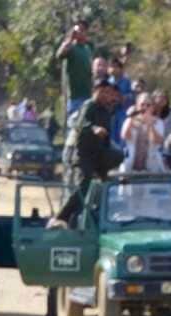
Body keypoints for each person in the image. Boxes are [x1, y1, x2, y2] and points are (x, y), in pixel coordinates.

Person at [50, 76, 122, 227]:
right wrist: (94, 128)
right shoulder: (89, 105)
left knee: (118, 157)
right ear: (95, 91)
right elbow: (80, 124)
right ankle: (62, 216)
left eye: (108, 93)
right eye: (103, 92)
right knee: (83, 186)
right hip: (84, 154)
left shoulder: (106, 110)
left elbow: (107, 136)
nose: (106, 96)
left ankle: (98, 213)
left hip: (99, 153)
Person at [55, 19, 95, 118]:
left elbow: (90, 71)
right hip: (74, 98)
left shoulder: (87, 49)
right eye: (77, 30)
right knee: (73, 124)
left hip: (87, 96)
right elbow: (59, 55)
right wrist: (70, 39)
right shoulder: (71, 47)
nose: (79, 32)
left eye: (82, 30)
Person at [120, 92, 165, 173]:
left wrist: (150, 125)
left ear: (153, 108)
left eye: (148, 105)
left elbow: (158, 141)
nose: (145, 107)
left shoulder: (159, 122)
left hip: (152, 167)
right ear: (137, 106)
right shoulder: (129, 120)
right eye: (142, 104)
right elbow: (124, 136)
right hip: (130, 167)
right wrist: (131, 118)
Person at [108, 55, 135, 139]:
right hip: (111, 113)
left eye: (115, 67)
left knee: (121, 136)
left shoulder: (126, 81)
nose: (113, 69)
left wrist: (123, 97)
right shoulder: (108, 82)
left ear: (120, 69)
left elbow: (132, 96)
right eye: (111, 66)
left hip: (122, 112)